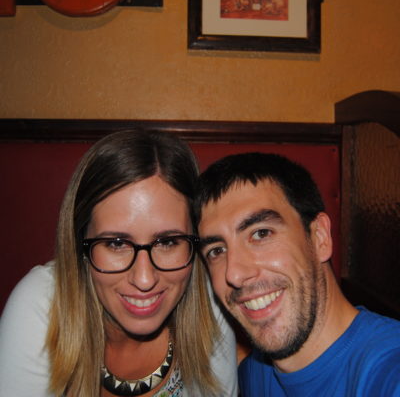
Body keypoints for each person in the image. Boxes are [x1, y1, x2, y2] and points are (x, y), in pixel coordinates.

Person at [0, 130, 238, 397]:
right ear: (80, 242)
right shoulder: (42, 308)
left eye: (168, 242)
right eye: (116, 243)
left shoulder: (211, 299)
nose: (145, 279)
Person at [194, 152, 400, 396]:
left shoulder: (386, 371)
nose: (235, 274)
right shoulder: (257, 372)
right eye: (217, 250)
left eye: (261, 233)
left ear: (319, 238)